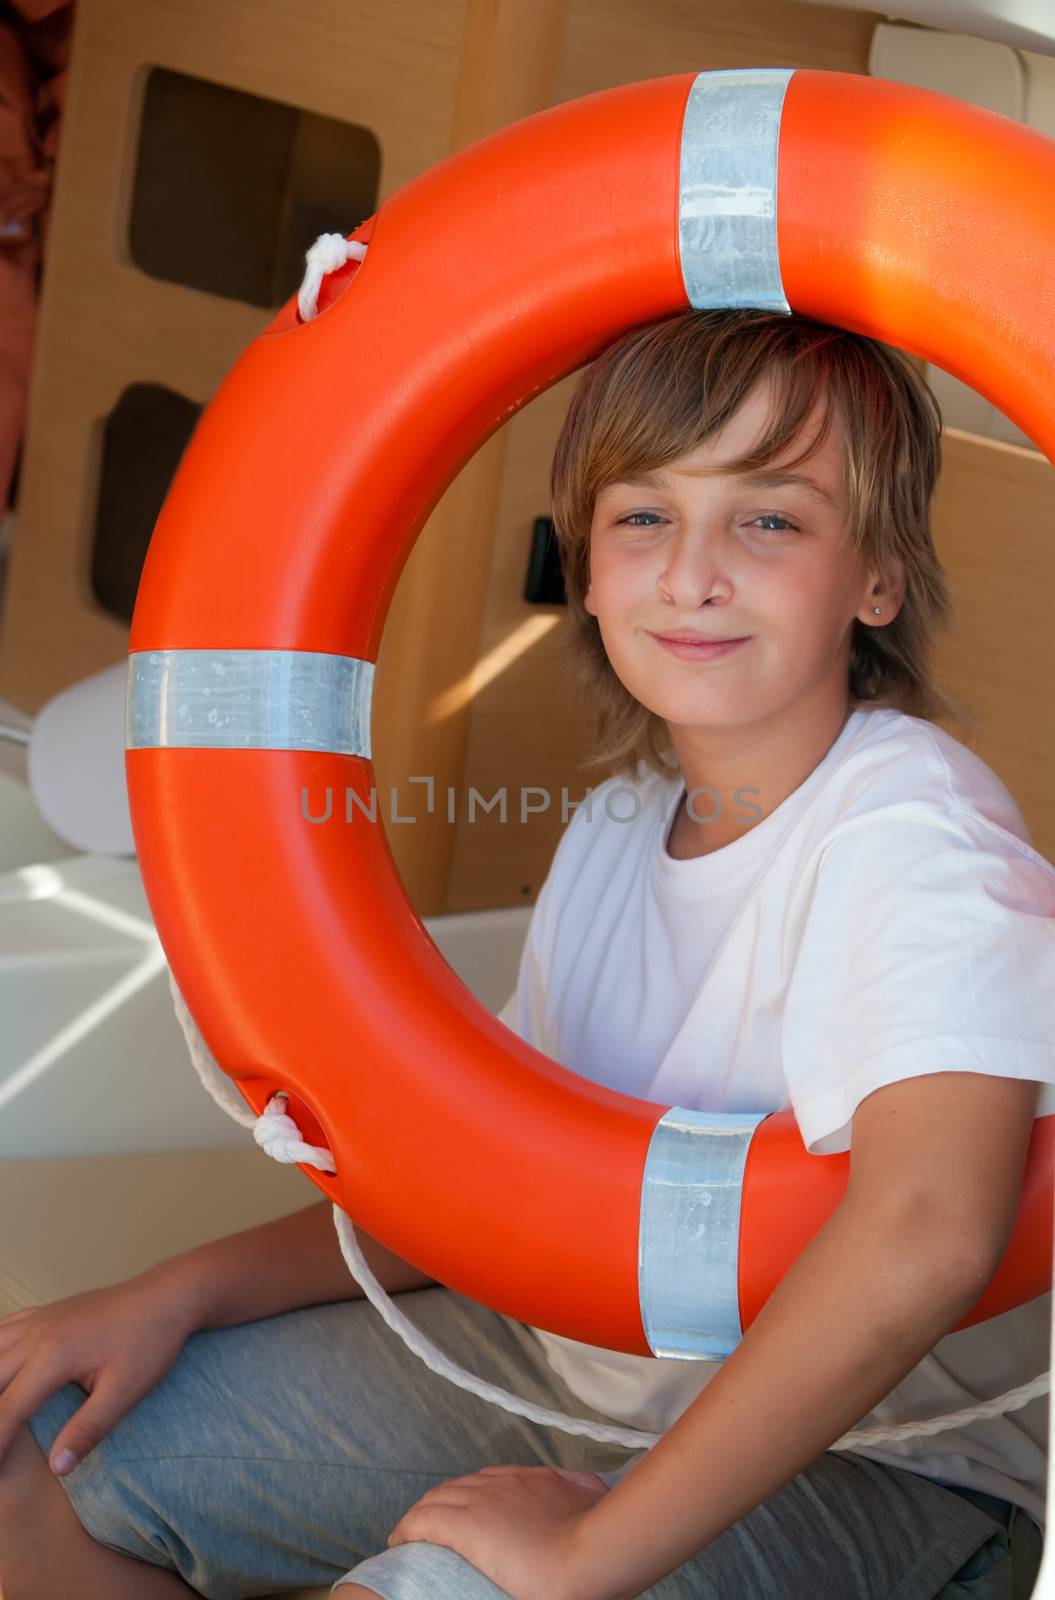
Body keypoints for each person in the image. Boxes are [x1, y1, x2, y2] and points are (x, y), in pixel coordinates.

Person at [1, 307, 1052, 1600]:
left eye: (769, 520)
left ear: (877, 578)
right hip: (564, 1364)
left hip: (882, 1463)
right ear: (592, 566)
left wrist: (584, 1556)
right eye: (644, 517)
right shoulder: (619, 825)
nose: (692, 573)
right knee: (29, 1459)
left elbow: (930, 1233)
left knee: (444, 1591)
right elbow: (481, 1191)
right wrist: (169, 1294)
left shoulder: (918, 838)